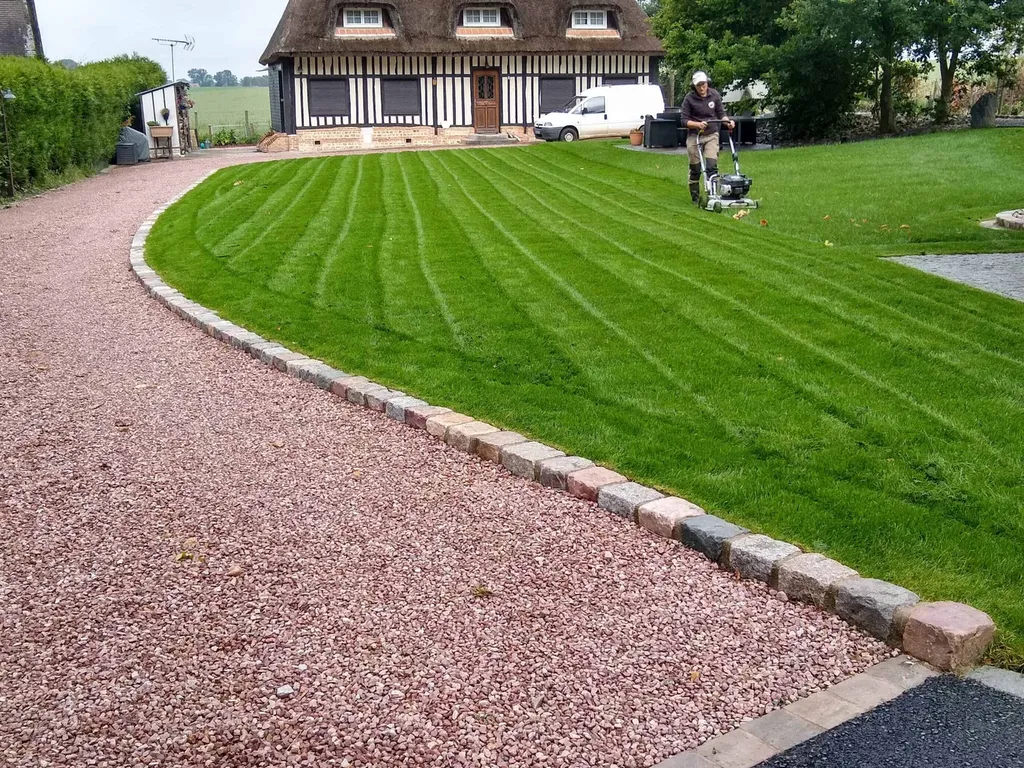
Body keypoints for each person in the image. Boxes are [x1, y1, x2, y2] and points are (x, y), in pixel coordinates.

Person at [680, 71, 734, 204]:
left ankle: (712, 195)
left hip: (711, 134)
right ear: (694, 86)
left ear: (707, 83)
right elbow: (684, 120)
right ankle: (695, 197)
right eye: (698, 85)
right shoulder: (689, 99)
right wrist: (697, 124)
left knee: (711, 166)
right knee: (695, 168)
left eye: (703, 84)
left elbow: (721, 114)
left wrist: (728, 122)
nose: (701, 87)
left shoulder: (714, 95)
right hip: (695, 136)